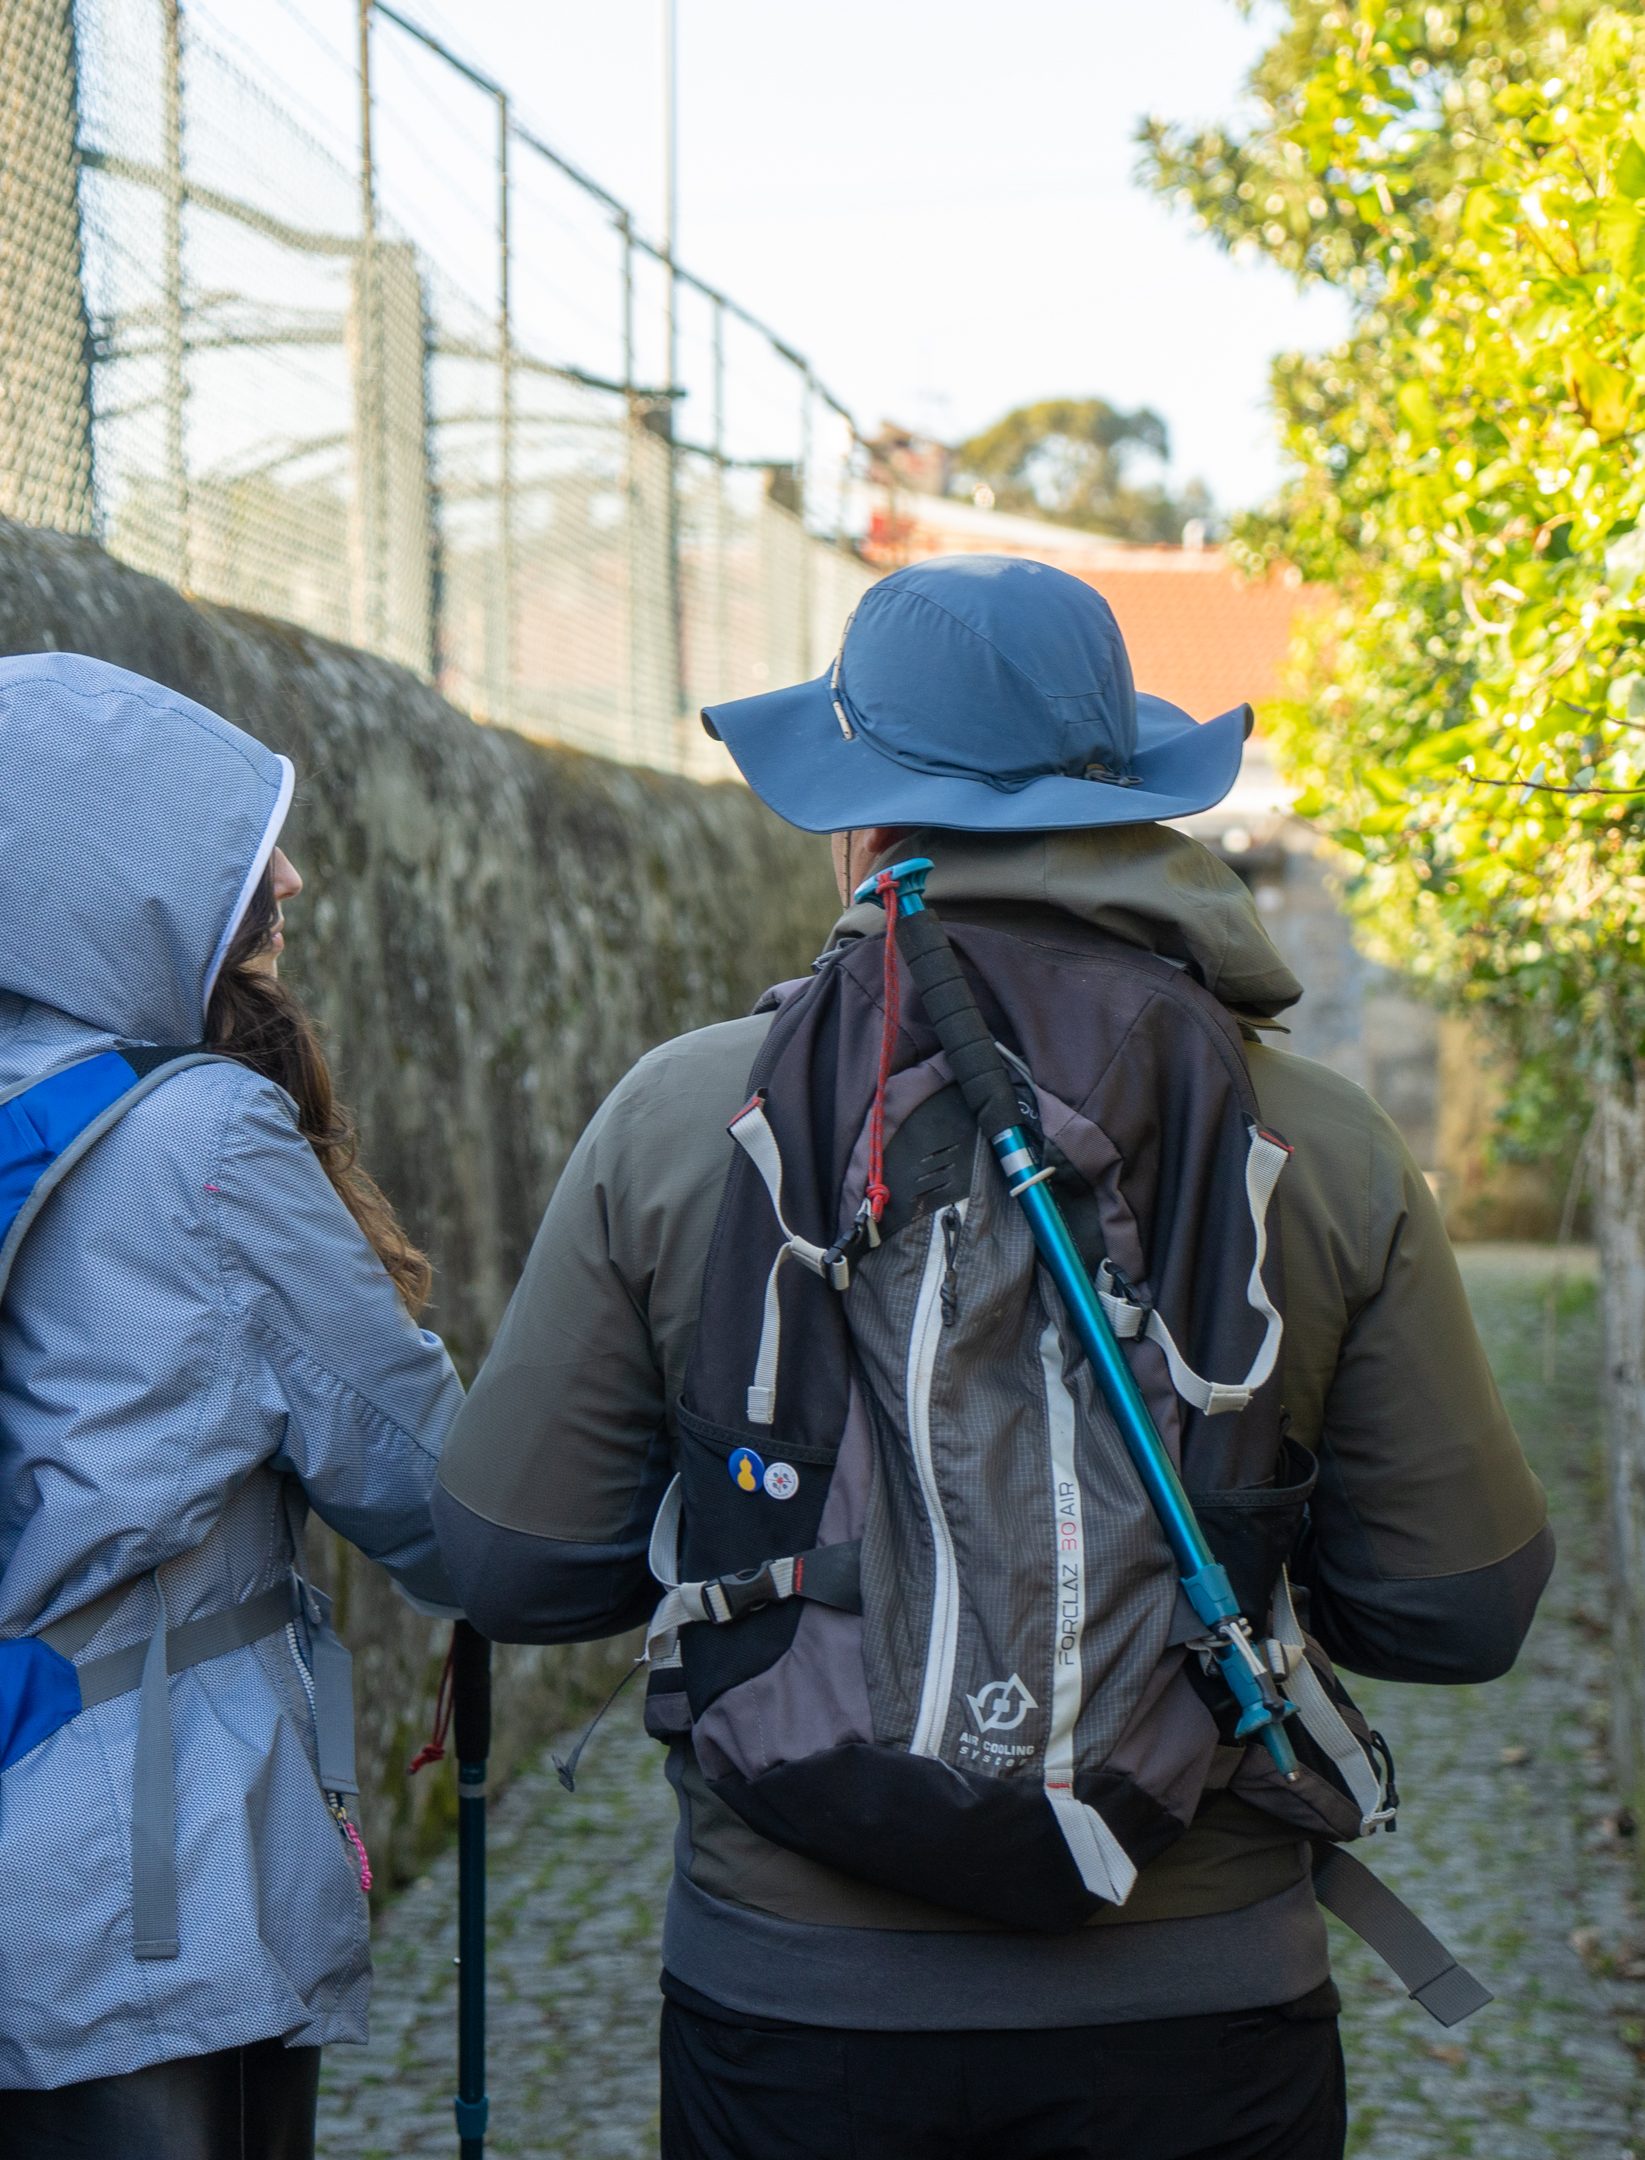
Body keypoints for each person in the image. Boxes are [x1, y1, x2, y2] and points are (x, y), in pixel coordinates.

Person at [434, 555, 1553, 2159]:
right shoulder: (1320, 1141)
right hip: (1201, 1998)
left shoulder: (689, 1120)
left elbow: (513, 1567)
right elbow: (1459, 1610)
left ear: (860, 820)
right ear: (1125, 800)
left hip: (799, 2006)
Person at [0, 654, 463, 2156]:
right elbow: (441, 1499)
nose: (292, 879)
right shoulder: (207, 1139)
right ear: (121, 882)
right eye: (238, 852)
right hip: (123, 1953)